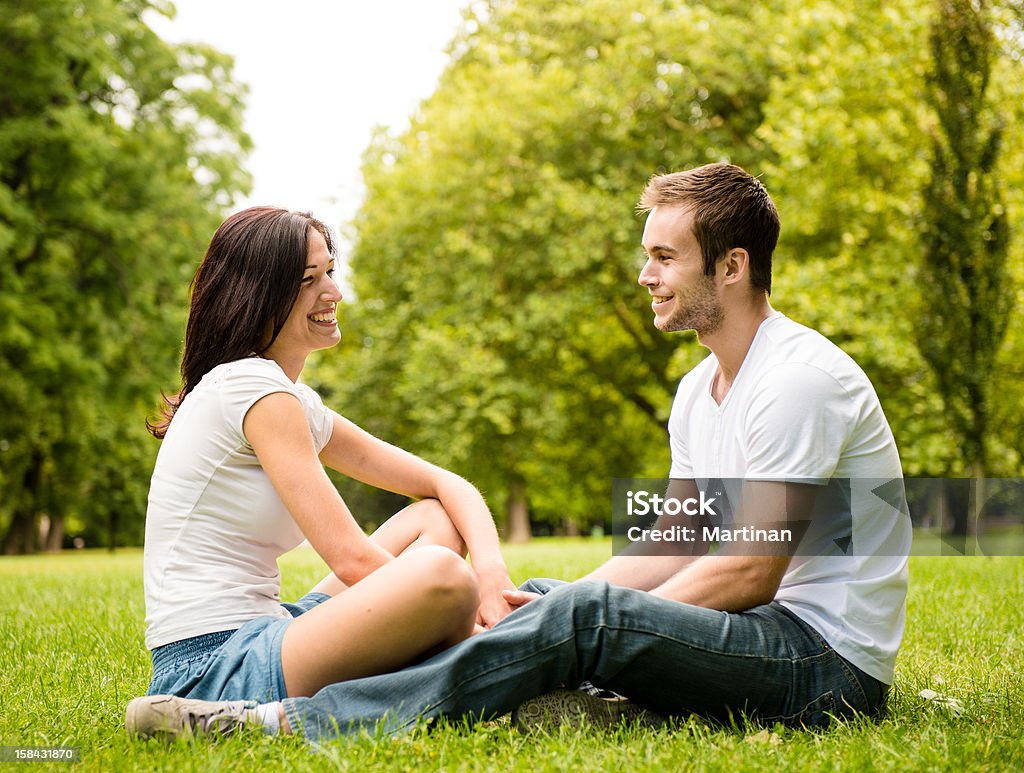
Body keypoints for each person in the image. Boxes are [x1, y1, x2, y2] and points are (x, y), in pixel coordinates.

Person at [126, 164, 910, 740]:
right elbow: (671, 542)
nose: (645, 275)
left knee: (576, 614)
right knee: (546, 596)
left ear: (732, 265)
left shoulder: (797, 380)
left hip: (819, 660)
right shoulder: (696, 391)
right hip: (757, 626)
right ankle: (548, 673)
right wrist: (550, 605)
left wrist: (580, 622)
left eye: (665, 257)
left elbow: (747, 567)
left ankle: (286, 722)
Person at [128, 207, 515, 724]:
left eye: (329, 271)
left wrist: (490, 575)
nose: (332, 292)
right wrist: (480, 629)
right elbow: (352, 560)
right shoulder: (252, 388)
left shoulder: (289, 398)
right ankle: (254, 718)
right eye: (308, 281)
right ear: (258, 296)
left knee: (434, 520)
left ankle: (421, 661)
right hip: (211, 667)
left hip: (267, 631)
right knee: (443, 577)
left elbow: (446, 485)